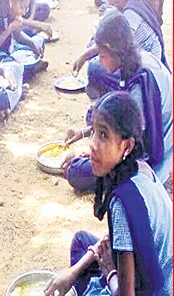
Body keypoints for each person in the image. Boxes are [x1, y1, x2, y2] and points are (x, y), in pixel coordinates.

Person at [46, 91, 172, 296]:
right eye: (93, 132)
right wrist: (72, 272)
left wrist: (109, 270)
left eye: (103, 136)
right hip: (142, 280)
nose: (92, 144)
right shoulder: (140, 169)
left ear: (125, 146)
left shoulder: (122, 204)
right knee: (82, 242)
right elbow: (119, 240)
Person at [65, 11, 172, 191]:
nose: (100, 60)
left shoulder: (139, 87)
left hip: (154, 152)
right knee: (97, 112)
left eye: (102, 56)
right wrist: (84, 133)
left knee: (75, 172)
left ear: (115, 53)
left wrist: (90, 154)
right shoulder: (134, 61)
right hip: (146, 135)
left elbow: (133, 146)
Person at [73, 0, 168, 82]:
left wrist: (84, 56)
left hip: (146, 72)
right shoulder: (130, 1)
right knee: (95, 42)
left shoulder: (131, 14)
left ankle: (119, 88)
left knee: (94, 67)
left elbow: (118, 44)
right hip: (135, 55)